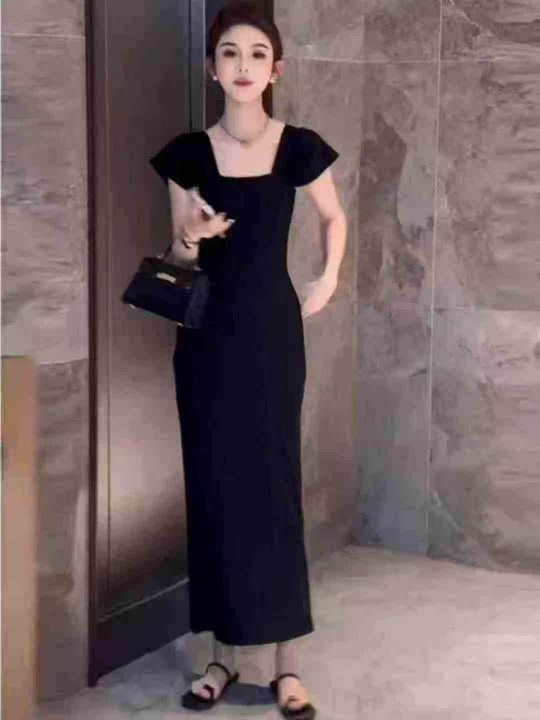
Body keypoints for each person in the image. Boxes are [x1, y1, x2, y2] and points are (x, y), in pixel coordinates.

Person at [148, 2, 347, 717]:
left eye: (257, 54)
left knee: (273, 485)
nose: (242, 65)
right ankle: (222, 658)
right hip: (206, 338)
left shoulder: (299, 148)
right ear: (212, 68)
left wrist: (327, 276)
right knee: (213, 488)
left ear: (275, 70)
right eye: (229, 53)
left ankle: (288, 667)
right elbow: (176, 257)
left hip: (270, 334)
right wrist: (193, 237)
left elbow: (333, 215)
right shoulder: (186, 155)